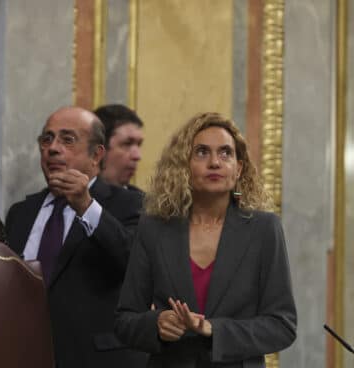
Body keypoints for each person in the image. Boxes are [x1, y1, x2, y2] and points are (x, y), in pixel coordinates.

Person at [115, 112, 297, 367]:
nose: (214, 162)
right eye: (201, 152)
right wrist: (156, 324)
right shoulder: (153, 228)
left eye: (225, 153)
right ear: (184, 166)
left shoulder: (265, 229)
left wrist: (214, 329)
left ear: (239, 168)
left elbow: (282, 325)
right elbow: (125, 321)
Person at [5, 106, 147, 367]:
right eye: (47, 139)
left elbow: (133, 263)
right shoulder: (21, 212)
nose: (53, 148)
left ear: (96, 155)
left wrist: (85, 206)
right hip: (26, 355)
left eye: (67, 140)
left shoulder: (130, 204)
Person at [94, 104, 144, 193]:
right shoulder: (74, 199)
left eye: (139, 144)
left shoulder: (146, 203)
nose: (137, 156)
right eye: (127, 144)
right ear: (99, 150)